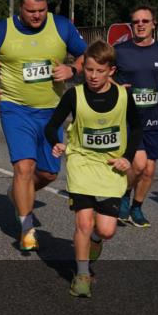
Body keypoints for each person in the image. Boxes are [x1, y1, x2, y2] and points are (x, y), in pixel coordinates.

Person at [0, 0, 87, 253]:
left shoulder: (61, 26)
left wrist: (71, 68)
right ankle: (27, 228)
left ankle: (17, 194)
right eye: (31, 11)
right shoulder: (2, 30)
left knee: (49, 172)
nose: (37, 16)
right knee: (24, 168)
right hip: (16, 109)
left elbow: (86, 56)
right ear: (20, 8)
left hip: (52, 112)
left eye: (41, 10)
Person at [46, 41, 142, 298]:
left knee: (106, 230)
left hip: (111, 166)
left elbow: (137, 127)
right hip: (81, 162)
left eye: (100, 71)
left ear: (111, 70)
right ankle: (82, 274)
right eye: (89, 70)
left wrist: (127, 157)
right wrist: (56, 143)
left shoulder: (123, 96)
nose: (93, 76)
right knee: (84, 223)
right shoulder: (73, 95)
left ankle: (96, 243)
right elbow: (51, 125)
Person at [114, 6, 158, 227]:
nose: (140, 24)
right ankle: (123, 197)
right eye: (136, 21)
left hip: (153, 117)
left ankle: (136, 208)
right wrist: (115, 87)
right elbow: (99, 73)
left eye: (145, 21)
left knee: (150, 169)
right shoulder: (119, 50)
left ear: (154, 24)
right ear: (131, 25)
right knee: (140, 164)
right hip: (128, 118)